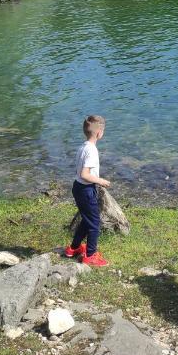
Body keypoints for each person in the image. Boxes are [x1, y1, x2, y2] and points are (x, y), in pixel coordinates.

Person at [65, 114, 111, 266]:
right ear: (99, 133)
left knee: (87, 219)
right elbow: (85, 174)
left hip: (77, 187)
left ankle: (74, 248)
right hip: (85, 189)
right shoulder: (92, 151)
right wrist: (101, 181)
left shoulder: (83, 146)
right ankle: (90, 255)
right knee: (94, 224)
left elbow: (80, 173)